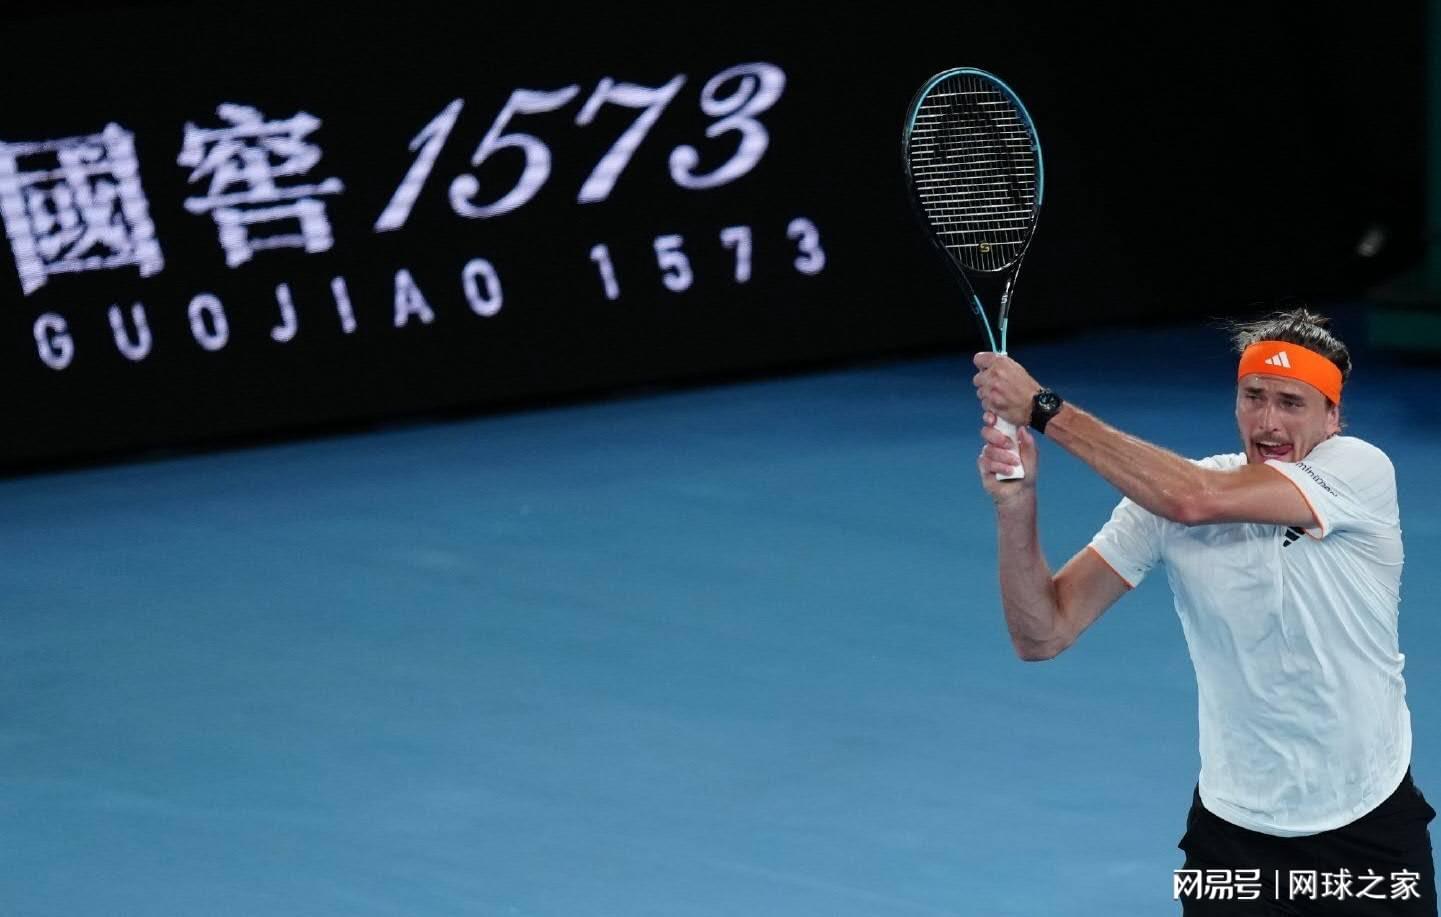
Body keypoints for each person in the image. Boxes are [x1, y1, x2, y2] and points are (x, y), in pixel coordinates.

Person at [972, 307, 1435, 915]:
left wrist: (1043, 409)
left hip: (1366, 829)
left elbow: (1194, 500)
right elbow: (1043, 634)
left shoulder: (1360, 472)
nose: (1268, 422)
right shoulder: (1165, 495)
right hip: (1231, 838)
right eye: (1254, 397)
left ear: (1332, 418)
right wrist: (1016, 507)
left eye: (1291, 403)